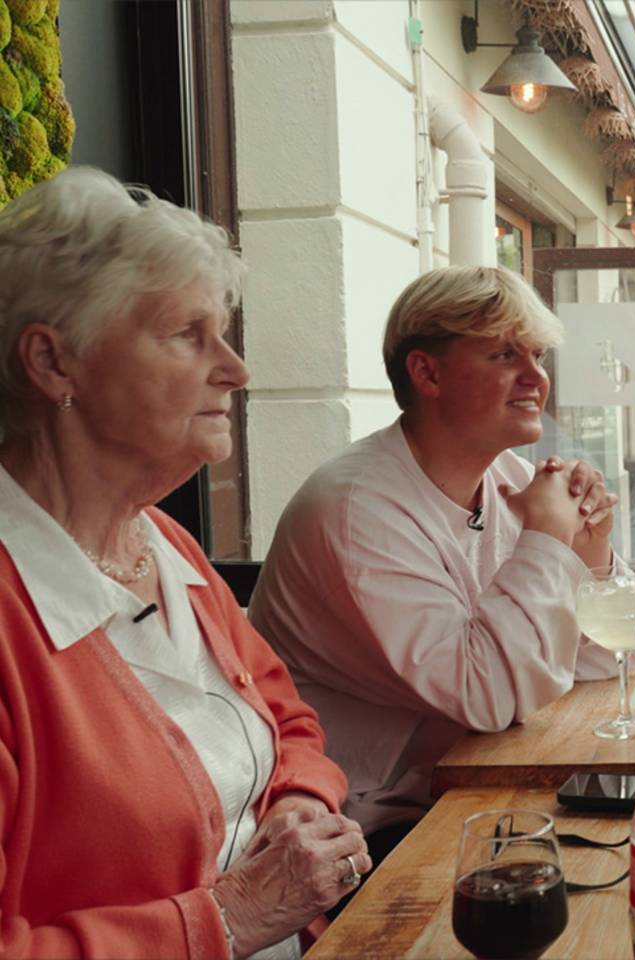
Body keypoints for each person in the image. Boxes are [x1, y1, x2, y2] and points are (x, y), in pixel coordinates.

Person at [0, 167, 368, 959]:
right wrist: (228, 918)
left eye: (222, 333)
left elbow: (289, 721)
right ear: (54, 363)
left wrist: (298, 803)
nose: (235, 370)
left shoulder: (165, 544)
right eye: (186, 334)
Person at [248, 265, 620, 863]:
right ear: (427, 373)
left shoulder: (506, 476)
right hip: (362, 831)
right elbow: (488, 695)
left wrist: (588, 548)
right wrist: (549, 537)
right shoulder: (357, 509)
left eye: (537, 355)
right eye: (505, 354)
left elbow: (599, 661)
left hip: (462, 788)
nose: (536, 377)